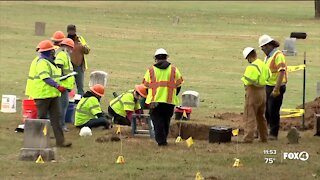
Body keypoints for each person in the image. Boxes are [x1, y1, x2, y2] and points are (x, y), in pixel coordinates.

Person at [32, 40, 72, 147]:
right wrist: (58, 86)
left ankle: (61, 142)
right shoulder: (42, 63)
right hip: (42, 96)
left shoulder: (51, 62)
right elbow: (45, 78)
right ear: (49, 52)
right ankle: (38, 142)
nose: (54, 52)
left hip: (53, 95)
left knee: (57, 119)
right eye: (52, 51)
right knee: (42, 119)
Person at [142, 48, 184, 146]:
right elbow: (178, 86)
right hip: (169, 101)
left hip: (154, 101)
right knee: (166, 120)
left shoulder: (150, 70)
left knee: (157, 121)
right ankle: (163, 139)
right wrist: (172, 95)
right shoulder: (174, 70)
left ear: (156, 59)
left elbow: (146, 87)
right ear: (166, 57)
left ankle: (161, 142)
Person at [259, 34, 288, 140]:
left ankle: (273, 134)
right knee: (266, 110)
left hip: (276, 87)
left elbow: (281, 72)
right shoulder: (268, 56)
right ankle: (264, 131)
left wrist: (276, 88)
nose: (263, 49)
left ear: (269, 45)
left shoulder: (278, 55)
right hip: (268, 86)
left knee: (273, 111)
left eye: (264, 47)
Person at [241, 47, 271, 143]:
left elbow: (248, 80)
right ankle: (264, 137)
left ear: (249, 57)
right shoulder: (263, 65)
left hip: (253, 92)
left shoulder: (252, 67)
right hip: (263, 92)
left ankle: (248, 138)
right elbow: (269, 76)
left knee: (250, 115)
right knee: (261, 116)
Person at [55, 38, 75, 132]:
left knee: (63, 106)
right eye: (71, 48)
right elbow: (58, 66)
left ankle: (60, 125)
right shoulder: (62, 54)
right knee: (62, 107)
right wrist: (64, 76)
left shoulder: (65, 55)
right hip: (62, 85)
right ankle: (60, 126)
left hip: (65, 86)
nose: (71, 50)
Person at [67, 24, 90, 96]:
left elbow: (87, 50)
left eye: (73, 31)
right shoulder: (65, 40)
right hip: (68, 66)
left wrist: (83, 47)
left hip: (79, 65)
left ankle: (80, 101)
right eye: (70, 31)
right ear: (68, 31)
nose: (71, 32)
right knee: (68, 86)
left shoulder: (80, 39)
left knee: (80, 86)